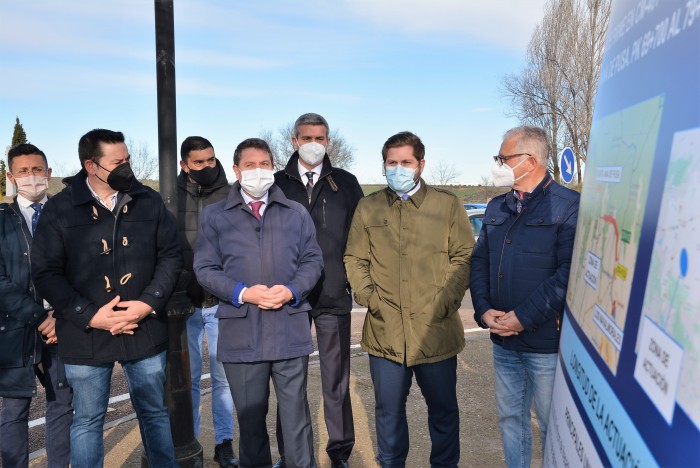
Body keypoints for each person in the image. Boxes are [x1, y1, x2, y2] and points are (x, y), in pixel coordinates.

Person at [31, 129, 183, 468]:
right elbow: (45, 273)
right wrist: (89, 315)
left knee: (154, 413)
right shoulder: (59, 209)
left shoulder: (148, 199)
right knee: (86, 420)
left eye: (127, 160)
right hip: (85, 334)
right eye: (118, 162)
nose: (126, 167)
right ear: (91, 165)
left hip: (143, 327)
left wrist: (147, 303)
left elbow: (171, 255)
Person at [344, 131, 473, 467]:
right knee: (388, 413)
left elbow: (463, 256)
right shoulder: (368, 207)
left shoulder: (446, 205)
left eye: (406, 162)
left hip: (436, 331)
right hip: (385, 332)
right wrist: (371, 299)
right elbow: (354, 258)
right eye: (392, 162)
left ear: (421, 165)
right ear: (383, 165)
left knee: (443, 411)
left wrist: (445, 303)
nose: (398, 168)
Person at [194, 137, 323, 468]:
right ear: (237, 170)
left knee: (296, 423)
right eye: (249, 165)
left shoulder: (295, 213)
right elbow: (205, 269)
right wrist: (243, 292)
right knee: (251, 427)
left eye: (264, 164)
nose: (258, 171)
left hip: (289, 329)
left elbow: (313, 261)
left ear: (273, 168)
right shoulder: (215, 216)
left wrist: (292, 290)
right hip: (242, 333)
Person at [469, 125, 580, 468]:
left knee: (552, 426)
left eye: (504, 158)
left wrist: (522, 318)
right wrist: (485, 310)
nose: (498, 164)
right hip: (504, 342)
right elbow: (480, 262)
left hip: (546, 343)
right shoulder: (496, 207)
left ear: (530, 161)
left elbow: (568, 274)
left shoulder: (569, 207)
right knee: (511, 422)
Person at [273, 113, 363, 468]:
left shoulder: (346, 183)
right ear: (294, 141)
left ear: (329, 141)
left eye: (321, 137)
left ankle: (339, 452)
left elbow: (359, 238)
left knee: (335, 382)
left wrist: (350, 281)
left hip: (332, 297)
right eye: (306, 137)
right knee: (288, 382)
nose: (313, 143)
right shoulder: (276, 183)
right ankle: (290, 453)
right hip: (287, 299)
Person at [0, 144, 73, 468]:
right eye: (23, 171)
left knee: (63, 403)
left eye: (37, 170)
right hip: (16, 329)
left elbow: (83, 270)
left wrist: (60, 313)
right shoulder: (2, 221)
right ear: (10, 177)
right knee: (15, 409)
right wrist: (38, 315)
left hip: (63, 325)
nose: (32, 177)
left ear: (49, 173)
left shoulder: (70, 215)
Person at [177, 136, 238, 468]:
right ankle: (189, 440)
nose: (206, 167)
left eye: (210, 160)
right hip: (185, 303)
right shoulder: (169, 198)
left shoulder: (231, 196)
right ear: (184, 165)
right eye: (198, 162)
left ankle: (223, 442)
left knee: (223, 376)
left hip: (221, 300)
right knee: (186, 379)